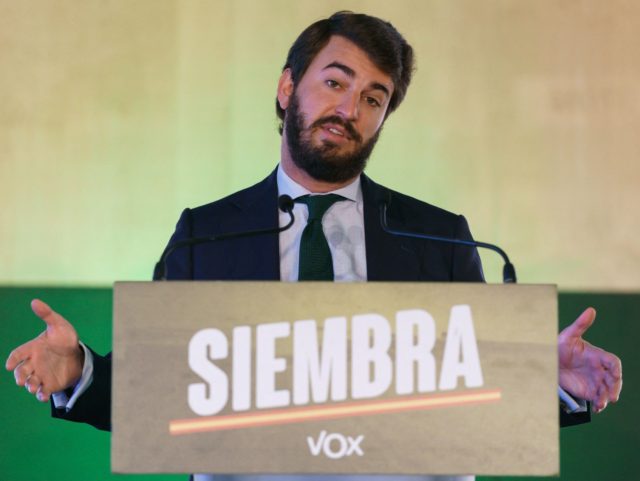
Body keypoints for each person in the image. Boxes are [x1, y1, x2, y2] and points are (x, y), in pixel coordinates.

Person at [6, 11, 622, 481]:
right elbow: (155, 391)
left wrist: (553, 382)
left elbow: (484, 393)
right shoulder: (207, 233)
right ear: (286, 88)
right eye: (335, 82)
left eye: (373, 99)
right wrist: (79, 371)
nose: (349, 109)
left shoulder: (438, 238)